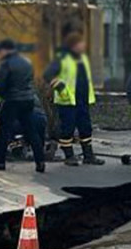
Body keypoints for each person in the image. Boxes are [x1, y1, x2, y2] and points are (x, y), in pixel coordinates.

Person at [0, 39, 46, 173]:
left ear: (4, 50)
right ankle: (40, 162)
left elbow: (0, 86)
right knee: (31, 130)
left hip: (12, 100)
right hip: (28, 100)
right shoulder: (27, 62)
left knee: (4, 131)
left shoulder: (6, 64)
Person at [43, 32, 105, 166]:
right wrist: (60, 88)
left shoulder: (83, 58)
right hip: (68, 101)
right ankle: (69, 156)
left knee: (85, 127)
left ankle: (88, 156)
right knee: (67, 129)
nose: (84, 46)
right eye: (81, 43)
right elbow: (48, 75)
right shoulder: (62, 58)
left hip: (82, 99)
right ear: (73, 45)